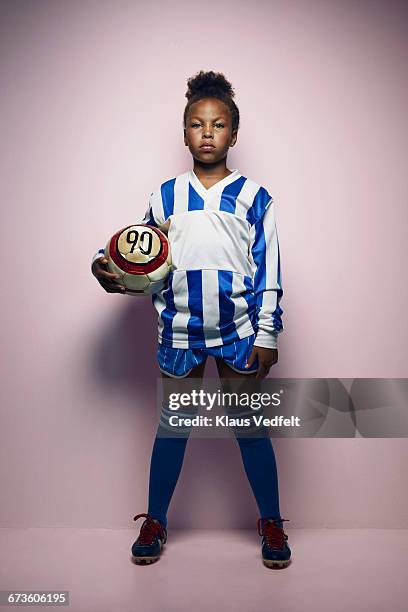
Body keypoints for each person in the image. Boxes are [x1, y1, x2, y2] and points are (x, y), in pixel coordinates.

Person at [91, 70, 291, 568]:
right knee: (173, 428)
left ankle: (271, 521)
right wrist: (108, 265)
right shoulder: (165, 196)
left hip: (239, 332)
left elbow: (269, 269)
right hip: (179, 330)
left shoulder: (254, 197)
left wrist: (267, 332)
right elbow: (139, 252)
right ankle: (157, 521)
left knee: (249, 428)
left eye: (218, 124)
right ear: (184, 133)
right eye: (197, 124)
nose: (207, 132)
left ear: (233, 135)